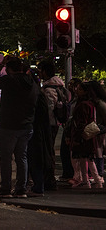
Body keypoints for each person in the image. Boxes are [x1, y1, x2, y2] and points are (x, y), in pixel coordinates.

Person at [0, 56, 39, 198]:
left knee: (5, 158)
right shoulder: (33, 83)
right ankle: (21, 189)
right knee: (22, 157)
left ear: (9, 69)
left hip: (8, 126)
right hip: (27, 126)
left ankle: (5, 189)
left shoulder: (10, 80)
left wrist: (1, 64)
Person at [38, 59, 67, 190]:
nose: (39, 73)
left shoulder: (49, 89)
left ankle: (49, 180)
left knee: (47, 151)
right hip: (55, 123)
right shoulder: (60, 86)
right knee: (49, 151)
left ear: (44, 71)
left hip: (49, 124)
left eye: (40, 70)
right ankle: (48, 178)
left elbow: (48, 108)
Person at [69, 82, 103, 188]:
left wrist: (78, 135)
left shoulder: (83, 105)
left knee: (86, 158)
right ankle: (89, 180)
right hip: (89, 134)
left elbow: (81, 122)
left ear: (84, 91)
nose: (76, 90)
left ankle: (93, 180)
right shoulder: (91, 104)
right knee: (86, 158)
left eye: (79, 89)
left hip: (83, 134)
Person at [27, 69, 52, 197]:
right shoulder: (39, 93)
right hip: (37, 131)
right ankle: (36, 185)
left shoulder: (36, 94)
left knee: (35, 158)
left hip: (36, 132)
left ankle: (37, 186)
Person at [60, 78, 82, 180]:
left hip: (72, 128)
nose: (70, 87)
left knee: (71, 152)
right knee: (65, 151)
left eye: (72, 85)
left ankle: (74, 174)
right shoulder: (71, 98)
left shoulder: (79, 100)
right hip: (68, 127)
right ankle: (69, 173)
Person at [86, 81, 106, 178]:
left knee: (98, 152)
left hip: (97, 132)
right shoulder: (94, 102)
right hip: (94, 130)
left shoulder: (100, 104)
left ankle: (98, 173)